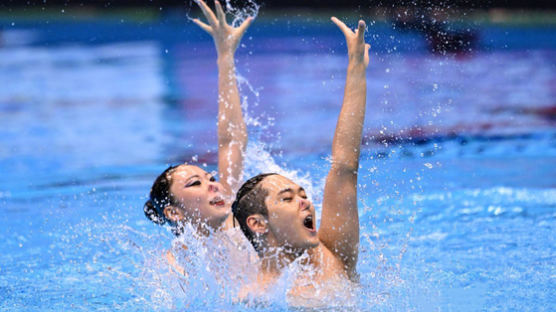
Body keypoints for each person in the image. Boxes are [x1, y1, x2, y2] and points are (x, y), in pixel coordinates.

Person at [231, 16, 370, 302]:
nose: (305, 201)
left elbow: (344, 167)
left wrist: (356, 69)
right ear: (258, 223)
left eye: (302, 194)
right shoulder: (250, 299)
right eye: (287, 198)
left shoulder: (333, 256)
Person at [143, 0, 255, 275]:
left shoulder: (240, 218)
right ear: (174, 213)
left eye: (210, 178)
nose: (214, 185)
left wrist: (225, 54)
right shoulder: (175, 265)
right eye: (196, 183)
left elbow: (231, 140)